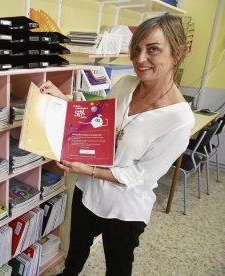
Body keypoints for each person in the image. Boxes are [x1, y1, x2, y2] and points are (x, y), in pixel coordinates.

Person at [39, 14, 195, 276]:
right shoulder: (126, 85)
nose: (140, 58)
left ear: (177, 53)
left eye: (153, 49)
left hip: (124, 209)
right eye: (136, 49)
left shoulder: (179, 119)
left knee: (118, 267)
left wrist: (85, 169)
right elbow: (97, 122)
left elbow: (139, 177)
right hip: (87, 193)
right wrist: (63, 101)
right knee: (76, 251)